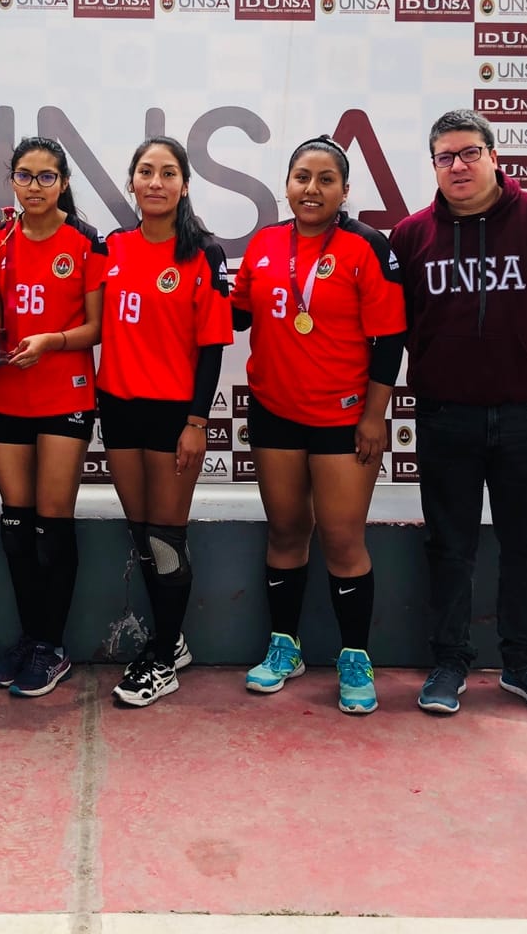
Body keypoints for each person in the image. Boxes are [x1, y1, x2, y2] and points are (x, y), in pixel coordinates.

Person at [389, 109, 527, 718]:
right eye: (445, 157)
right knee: (448, 546)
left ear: (493, 156)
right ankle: (449, 663)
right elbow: (396, 321)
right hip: (444, 414)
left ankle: (523, 665)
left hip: (524, 414)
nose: (457, 166)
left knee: (526, 545)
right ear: (434, 165)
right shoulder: (411, 235)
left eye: (469, 153)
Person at [230, 135, 406, 716]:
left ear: (344, 190)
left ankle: (355, 656)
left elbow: (389, 340)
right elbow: (235, 314)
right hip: (275, 413)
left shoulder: (366, 246)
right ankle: (285, 647)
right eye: (302, 177)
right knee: (285, 532)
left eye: (326, 179)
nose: (312, 189)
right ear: (286, 185)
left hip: (343, 419)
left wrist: (374, 416)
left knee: (342, 540)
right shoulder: (265, 243)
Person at [97, 137, 233, 707]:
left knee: (166, 538)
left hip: (174, 413)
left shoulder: (204, 252)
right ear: (131, 181)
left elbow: (212, 346)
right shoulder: (112, 246)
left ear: (184, 184)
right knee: (141, 533)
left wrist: (197, 422)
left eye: (168, 172)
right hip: (118, 408)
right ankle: (171, 643)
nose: (156, 182)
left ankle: (161, 659)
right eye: (146, 171)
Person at [0, 137, 106, 698]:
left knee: (52, 523)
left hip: (64, 394)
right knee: (16, 524)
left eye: (46, 176)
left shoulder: (85, 242)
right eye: (25, 176)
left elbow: (96, 328)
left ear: (64, 182)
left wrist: (52, 340)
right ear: (12, 181)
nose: (34, 186)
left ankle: (52, 645)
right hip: (6, 394)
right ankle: (30, 637)